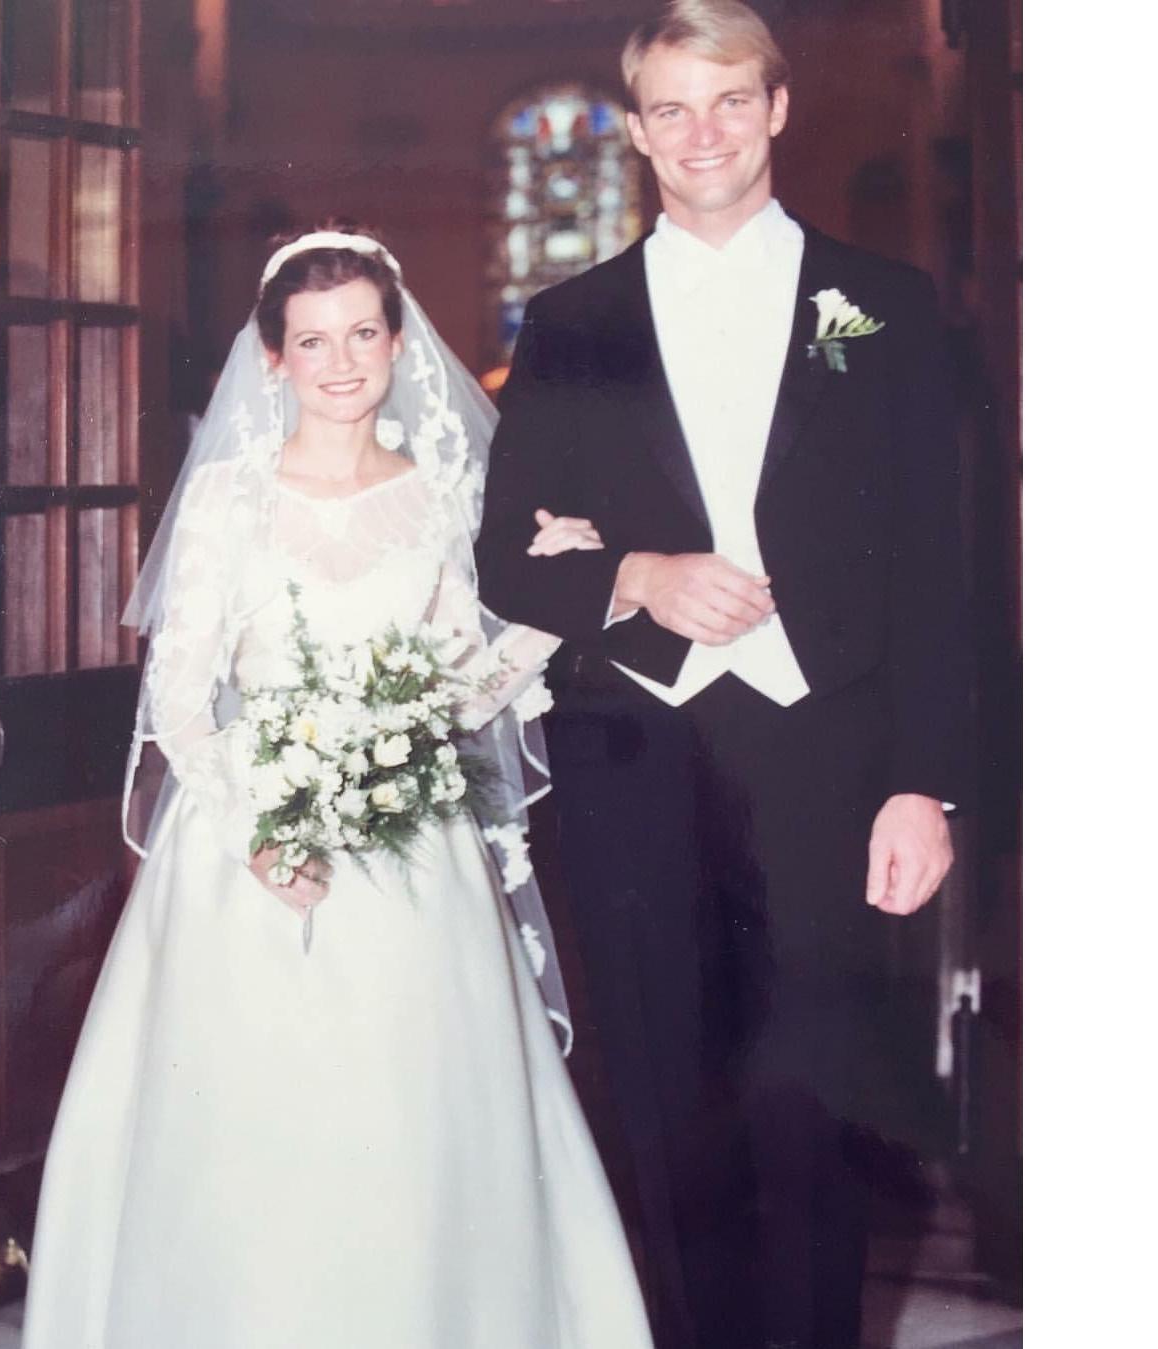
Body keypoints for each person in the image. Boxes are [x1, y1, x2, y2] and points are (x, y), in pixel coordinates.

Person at [20, 227, 655, 1349]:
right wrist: (258, 830)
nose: (342, 359)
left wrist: (553, 614)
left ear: (398, 339)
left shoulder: (447, 493)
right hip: (247, 848)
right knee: (260, 1130)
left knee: (413, 1127)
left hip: (413, 844)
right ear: (272, 358)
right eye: (312, 340)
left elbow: (461, 681)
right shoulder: (227, 498)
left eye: (363, 331)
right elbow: (179, 700)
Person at [474, 3, 972, 1347]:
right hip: (632, 757)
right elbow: (503, 561)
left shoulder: (887, 309)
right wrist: (634, 574)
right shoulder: (570, 319)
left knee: (812, 1118)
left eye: (732, 103)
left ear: (779, 110)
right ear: (637, 132)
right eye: (674, 110)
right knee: (668, 1122)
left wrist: (925, 786)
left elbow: (945, 570)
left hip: (831, 765)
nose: (705, 136)